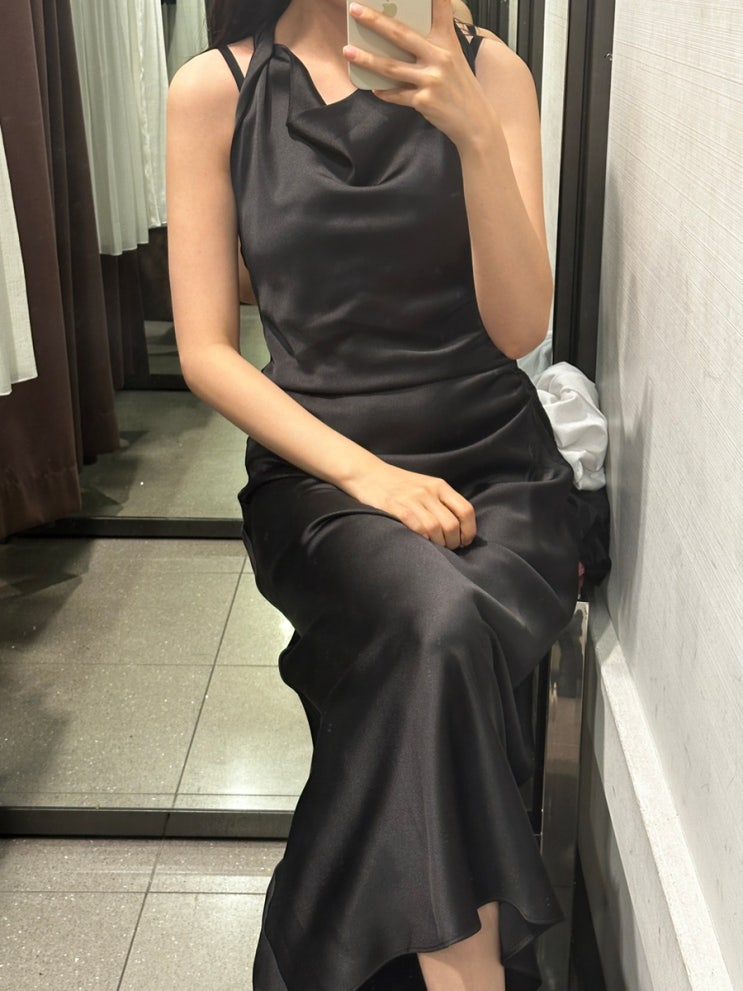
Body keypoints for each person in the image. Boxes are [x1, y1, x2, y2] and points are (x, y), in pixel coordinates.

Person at [166, 1, 580, 988]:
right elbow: (206, 352)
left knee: (428, 660)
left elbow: (519, 324)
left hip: (495, 468)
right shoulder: (215, 91)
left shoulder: (493, 72)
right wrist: (369, 476)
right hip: (322, 480)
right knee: (435, 627)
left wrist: (473, 130)